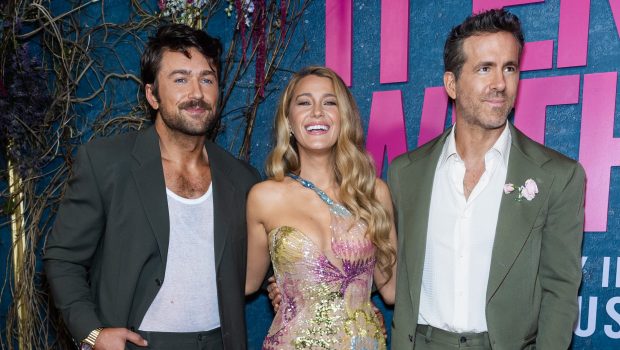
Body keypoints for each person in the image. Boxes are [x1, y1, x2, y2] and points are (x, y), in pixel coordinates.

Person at [44, 24, 260, 350]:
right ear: (151, 94)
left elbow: (257, 266)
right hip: (136, 343)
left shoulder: (243, 179)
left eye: (207, 79)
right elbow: (62, 259)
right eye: (180, 79)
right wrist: (92, 333)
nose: (197, 93)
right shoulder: (106, 163)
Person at [388, 9, 585, 349]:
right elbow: (385, 268)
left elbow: (560, 290)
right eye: (484, 69)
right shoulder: (406, 172)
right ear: (451, 83)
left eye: (509, 68)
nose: (500, 84)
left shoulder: (557, 175)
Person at [245, 66, 398, 349]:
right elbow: (245, 283)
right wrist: (283, 285)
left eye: (330, 102)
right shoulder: (264, 197)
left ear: (344, 118)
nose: (317, 112)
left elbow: (391, 290)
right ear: (288, 121)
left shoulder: (374, 193)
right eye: (304, 102)